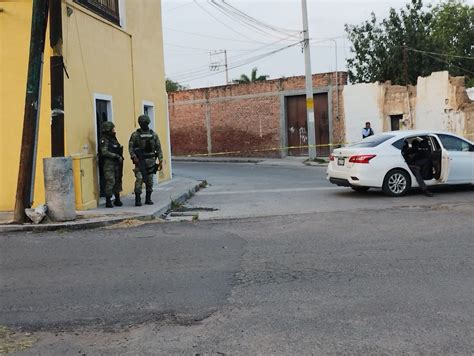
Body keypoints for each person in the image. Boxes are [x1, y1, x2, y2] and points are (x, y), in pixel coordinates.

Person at [129, 115, 163, 206]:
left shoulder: (153, 135)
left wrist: (161, 160)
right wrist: (134, 157)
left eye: (144, 123)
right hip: (140, 161)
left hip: (151, 161)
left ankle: (148, 198)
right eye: (141, 123)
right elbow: (131, 148)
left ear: (148, 123)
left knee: (150, 181)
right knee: (139, 179)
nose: (142, 124)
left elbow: (158, 148)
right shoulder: (135, 135)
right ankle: (138, 199)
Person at [99, 121, 124, 208]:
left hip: (116, 163)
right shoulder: (104, 139)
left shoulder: (113, 139)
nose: (114, 130)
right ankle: (108, 200)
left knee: (118, 180)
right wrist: (116, 156)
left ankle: (117, 199)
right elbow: (104, 152)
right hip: (108, 163)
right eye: (112, 129)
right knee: (110, 181)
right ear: (108, 129)